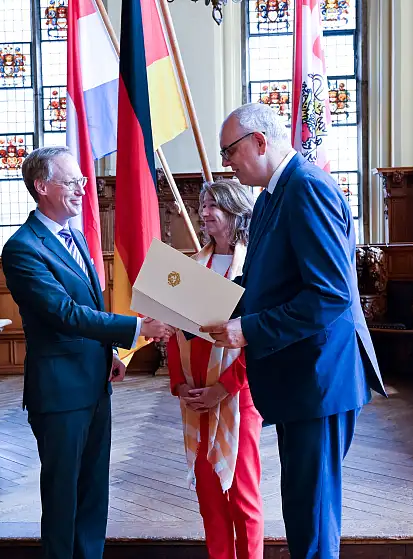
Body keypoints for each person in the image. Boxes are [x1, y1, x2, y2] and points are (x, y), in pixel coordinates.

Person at [200, 103, 387, 559]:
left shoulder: (306, 189)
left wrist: (248, 330)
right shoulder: (269, 197)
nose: (227, 163)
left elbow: (329, 295)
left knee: (313, 511)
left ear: (260, 142)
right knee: (303, 507)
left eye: (230, 151)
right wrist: (199, 300)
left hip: (319, 377)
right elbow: (265, 284)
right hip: (299, 376)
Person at [1, 146, 173, 559]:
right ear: (42, 187)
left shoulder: (74, 235)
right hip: (60, 393)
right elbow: (63, 313)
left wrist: (107, 352)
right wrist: (134, 328)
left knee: (93, 491)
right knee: (63, 498)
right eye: (73, 181)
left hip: (94, 382)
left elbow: (91, 309)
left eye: (82, 180)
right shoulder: (23, 248)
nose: (84, 189)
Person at [166, 179, 264, 559]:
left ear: (236, 213)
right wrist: (180, 386)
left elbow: (258, 336)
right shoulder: (193, 265)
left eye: (214, 206)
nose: (204, 213)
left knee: (242, 494)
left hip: (238, 394)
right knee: (209, 497)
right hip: (196, 397)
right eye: (203, 205)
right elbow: (178, 331)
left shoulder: (255, 266)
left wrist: (224, 387)